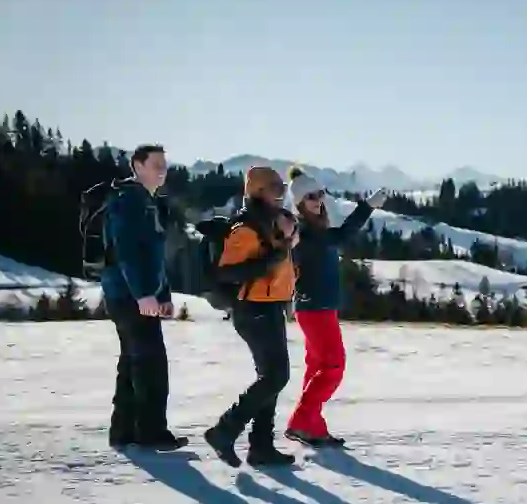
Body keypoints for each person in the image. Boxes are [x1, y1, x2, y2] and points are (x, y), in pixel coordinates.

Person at [283, 166, 387, 447]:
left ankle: (313, 427)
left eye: (319, 194)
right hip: (315, 308)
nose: (317, 200)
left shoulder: (315, 228)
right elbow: (341, 237)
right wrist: (366, 207)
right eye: (310, 197)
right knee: (333, 365)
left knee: (316, 367)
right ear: (299, 203)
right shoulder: (304, 231)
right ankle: (301, 421)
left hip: (317, 307)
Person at [203, 166, 300, 467]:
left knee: (269, 378)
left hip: (269, 306)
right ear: (259, 192)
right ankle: (224, 430)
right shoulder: (246, 228)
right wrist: (274, 255)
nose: (282, 194)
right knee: (276, 376)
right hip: (253, 308)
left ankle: (260, 447)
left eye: (283, 188)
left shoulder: (271, 222)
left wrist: (285, 241)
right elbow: (227, 271)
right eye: (276, 188)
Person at [100, 143, 186, 451]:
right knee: (151, 364)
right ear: (137, 166)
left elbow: (154, 258)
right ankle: (151, 432)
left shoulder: (146, 201)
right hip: (129, 297)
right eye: (155, 164)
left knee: (133, 361)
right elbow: (126, 252)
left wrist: (162, 294)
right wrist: (143, 295)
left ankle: (123, 431)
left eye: (164, 164)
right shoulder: (128, 200)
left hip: (137, 296)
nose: (162, 169)